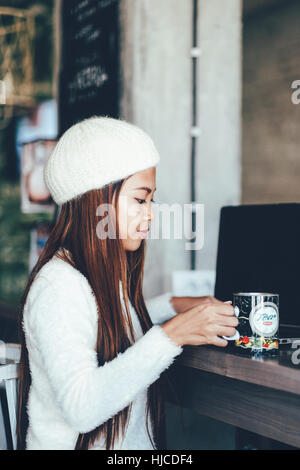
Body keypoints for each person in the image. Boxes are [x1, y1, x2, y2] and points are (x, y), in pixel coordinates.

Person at [16, 116, 238, 450]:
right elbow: (82, 407)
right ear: (97, 200)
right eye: (139, 199)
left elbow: (106, 323)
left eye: (151, 201)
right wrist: (173, 334)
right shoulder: (58, 287)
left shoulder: (93, 276)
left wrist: (174, 306)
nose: (149, 215)